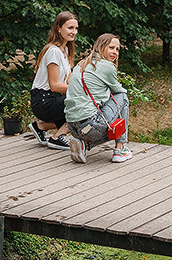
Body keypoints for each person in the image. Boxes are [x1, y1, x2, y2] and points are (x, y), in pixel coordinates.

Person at [64, 33, 132, 164]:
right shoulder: (107, 66)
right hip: (90, 124)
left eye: (117, 49)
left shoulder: (81, 64)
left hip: (71, 126)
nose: (115, 52)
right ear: (101, 47)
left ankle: (84, 144)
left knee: (105, 109)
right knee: (122, 98)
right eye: (111, 48)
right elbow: (118, 91)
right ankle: (120, 149)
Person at [29, 11, 78, 150]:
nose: (74, 32)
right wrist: (79, 91)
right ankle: (57, 138)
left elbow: (69, 82)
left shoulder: (66, 51)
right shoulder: (53, 51)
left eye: (76, 28)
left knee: (83, 107)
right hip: (43, 101)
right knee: (80, 105)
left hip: (53, 98)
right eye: (70, 28)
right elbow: (54, 85)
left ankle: (40, 127)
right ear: (58, 28)